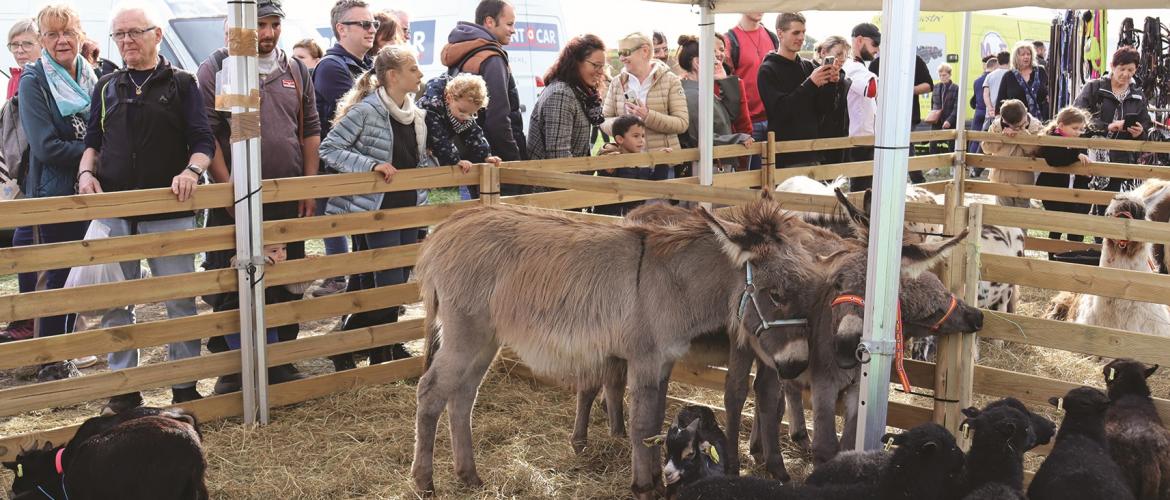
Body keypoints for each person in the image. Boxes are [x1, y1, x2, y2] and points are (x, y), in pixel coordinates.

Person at [77, 5, 215, 409]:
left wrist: (192, 170)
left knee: (179, 300)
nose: (126, 41)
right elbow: (93, 140)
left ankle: (184, 388)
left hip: (170, 211)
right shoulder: (106, 85)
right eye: (119, 35)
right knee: (116, 303)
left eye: (134, 32)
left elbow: (203, 140)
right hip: (115, 211)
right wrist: (85, 173)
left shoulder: (183, 83)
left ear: (157, 35)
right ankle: (125, 390)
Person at [196, 0, 318, 392]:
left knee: (285, 277)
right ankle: (233, 369)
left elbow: (310, 127)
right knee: (232, 279)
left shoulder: (295, 69)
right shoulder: (218, 67)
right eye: (259, 24)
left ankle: (279, 362)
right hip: (234, 196)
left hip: (286, 193)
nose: (267, 33)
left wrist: (308, 184)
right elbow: (209, 132)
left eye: (273, 24)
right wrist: (228, 188)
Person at [319, 45, 425, 370]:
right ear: (393, 75)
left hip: (409, 208)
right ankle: (346, 345)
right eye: (413, 69)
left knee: (396, 283)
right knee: (388, 284)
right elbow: (330, 148)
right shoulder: (366, 111)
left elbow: (417, 159)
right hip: (376, 211)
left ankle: (381, 350)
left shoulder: (416, 114)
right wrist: (370, 165)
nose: (420, 74)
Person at [17, 5, 99, 380]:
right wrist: (95, 156)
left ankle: (68, 351)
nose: (61, 41)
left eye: (68, 32)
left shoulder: (91, 74)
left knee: (80, 274)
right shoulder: (34, 81)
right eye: (51, 34)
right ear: (42, 40)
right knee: (56, 278)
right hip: (54, 196)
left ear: (80, 35)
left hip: (90, 191)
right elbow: (46, 147)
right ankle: (50, 362)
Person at [312, 0, 375, 297]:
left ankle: (366, 295)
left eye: (373, 24)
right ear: (341, 29)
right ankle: (343, 286)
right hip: (337, 166)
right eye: (364, 24)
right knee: (338, 227)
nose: (372, 29)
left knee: (363, 234)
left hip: (360, 163)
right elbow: (361, 115)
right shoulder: (331, 67)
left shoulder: (367, 65)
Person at [440, 0, 527, 196]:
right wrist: (514, 158)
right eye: (509, 24)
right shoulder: (491, 58)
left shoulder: (464, 50)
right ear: (489, 21)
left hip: (469, 154)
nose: (513, 30)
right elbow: (498, 118)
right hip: (494, 160)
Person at [600, 32, 687, 180]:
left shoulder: (670, 80)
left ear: (645, 51)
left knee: (661, 197)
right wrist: (623, 124)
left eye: (626, 52)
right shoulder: (617, 82)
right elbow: (604, 120)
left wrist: (648, 116)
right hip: (627, 166)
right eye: (620, 53)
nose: (621, 58)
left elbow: (682, 123)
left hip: (662, 165)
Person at [758, 12, 840, 168]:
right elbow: (780, 111)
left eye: (803, 32)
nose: (802, 37)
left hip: (812, 150)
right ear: (780, 33)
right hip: (785, 155)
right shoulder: (767, 70)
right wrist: (811, 84)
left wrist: (831, 83)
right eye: (796, 32)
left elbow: (825, 108)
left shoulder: (808, 66)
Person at [0, 19, 38, 344]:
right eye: (15, 45)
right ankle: (27, 319)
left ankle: (32, 321)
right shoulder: (17, 78)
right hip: (19, 177)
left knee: (26, 244)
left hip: (38, 179)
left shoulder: (37, 79)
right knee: (24, 244)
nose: (20, 50)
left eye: (27, 44)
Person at [864, 21, 932, 182]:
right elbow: (869, 90)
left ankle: (917, 181)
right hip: (883, 114)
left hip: (908, 114)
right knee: (884, 149)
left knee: (905, 148)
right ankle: (887, 181)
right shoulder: (876, 63)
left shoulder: (915, 60)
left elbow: (929, 85)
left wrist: (906, 90)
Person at [676, 35, 753, 173]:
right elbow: (701, 137)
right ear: (698, 63)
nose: (717, 62)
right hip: (706, 168)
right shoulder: (691, 95)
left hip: (716, 165)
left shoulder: (701, 91)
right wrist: (738, 138)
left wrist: (724, 81)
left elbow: (731, 115)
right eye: (712, 58)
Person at [526, 34, 607, 161]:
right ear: (575, 63)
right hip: (557, 174)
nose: (601, 71)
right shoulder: (561, 95)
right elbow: (559, 157)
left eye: (602, 66)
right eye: (596, 65)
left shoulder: (578, 92)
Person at [1073, 46, 1152, 177]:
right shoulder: (1093, 88)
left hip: (1121, 161)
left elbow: (1146, 125)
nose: (1126, 74)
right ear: (1112, 66)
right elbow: (1076, 118)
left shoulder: (1138, 96)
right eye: (1122, 69)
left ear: (1136, 70)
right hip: (1088, 158)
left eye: (1130, 70)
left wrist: (1139, 133)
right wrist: (1107, 126)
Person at [726, 12, 779, 169]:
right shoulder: (730, 40)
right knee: (748, 177)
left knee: (772, 176)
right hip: (746, 125)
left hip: (772, 120)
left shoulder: (771, 36)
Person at [418, 73, 500, 169]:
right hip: (419, 145)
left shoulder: (463, 111)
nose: (465, 117)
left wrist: (486, 156)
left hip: (434, 148)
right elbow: (439, 138)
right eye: (462, 111)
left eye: (471, 114)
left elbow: (473, 133)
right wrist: (455, 160)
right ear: (449, 99)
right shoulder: (433, 108)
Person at [1036, 106, 1093, 244]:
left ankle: (1074, 252)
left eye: (1081, 129)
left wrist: (1086, 174)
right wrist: (1076, 155)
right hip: (1054, 189)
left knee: (1076, 225)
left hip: (1075, 189)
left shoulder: (1079, 141)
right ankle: (1053, 252)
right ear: (1061, 125)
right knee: (1058, 224)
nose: (1078, 132)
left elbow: (1084, 161)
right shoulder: (1052, 139)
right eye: (1075, 128)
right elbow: (1055, 159)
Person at [982, 99, 1042, 208]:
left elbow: (1036, 150)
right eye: (1013, 126)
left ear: (1026, 112)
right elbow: (987, 148)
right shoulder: (996, 126)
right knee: (1003, 212)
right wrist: (1002, 137)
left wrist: (1021, 135)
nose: (1017, 128)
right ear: (1004, 120)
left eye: (1021, 124)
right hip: (1001, 178)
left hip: (1023, 179)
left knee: (1021, 212)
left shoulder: (1035, 126)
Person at [845, 23, 879, 191]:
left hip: (865, 139)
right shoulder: (853, 67)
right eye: (875, 43)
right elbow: (871, 90)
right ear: (859, 40)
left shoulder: (858, 67)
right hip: (860, 141)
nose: (877, 49)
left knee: (867, 190)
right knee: (863, 192)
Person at [813, 36, 851, 165]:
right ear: (823, 52)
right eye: (839, 54)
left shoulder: (844, 80)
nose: (842, 59)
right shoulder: (812, 75)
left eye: (846, 55)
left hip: (838, 141)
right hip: (817, 142)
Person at [996, 41, 1049, 122]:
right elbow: (1000, 102)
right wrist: (1001, 122)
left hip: (1041, 121)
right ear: (1016, 57)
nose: (1026, 57)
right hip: (1015, 123)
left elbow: (1049, 92)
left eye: (1028, 54)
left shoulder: (1041, 71)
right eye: (1022, 55)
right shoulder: (1009, 76)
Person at [968, 56, 998, 156]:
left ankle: (971, 159)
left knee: (974, 138)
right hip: (989, 113)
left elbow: (974, 99)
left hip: (978, 112)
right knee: (987, 139)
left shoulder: (977, 81)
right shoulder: (993, 79)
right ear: (995, 67)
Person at [928, 63, 958, 153]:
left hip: (950, 121)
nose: (942, 77)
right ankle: (932, 162)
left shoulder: (955, 88)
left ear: (950, 75)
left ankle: (952, 162)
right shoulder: (936, 87)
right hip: (937, 120)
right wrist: (933, 116)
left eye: (944, 75)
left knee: (952, 146)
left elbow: (957, 107)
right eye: (940, 75)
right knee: (932, 144)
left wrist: (949, 120)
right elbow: (933, 104)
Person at [982, 50, 1011, 129]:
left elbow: (986, 94)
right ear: (1010, 61)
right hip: (1007, 115)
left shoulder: (990, 75)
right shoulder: (1012, 75)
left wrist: (990, 108)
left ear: (998, 61)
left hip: (991, 115)